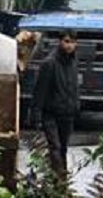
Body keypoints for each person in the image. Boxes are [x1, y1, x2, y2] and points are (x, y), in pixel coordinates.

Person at [31, 31, 80, 177]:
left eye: (72, 42)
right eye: (66, 41)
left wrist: (76, 105)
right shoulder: (49, 63)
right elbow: (40, 90)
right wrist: (36, 114)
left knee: (63, 147)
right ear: (60, 42)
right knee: (55, 146)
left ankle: (61, 179)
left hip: (67, 113)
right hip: (51, 113)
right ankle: (58, 177)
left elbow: (74, 86)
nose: (69, 45)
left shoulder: (73, 62)